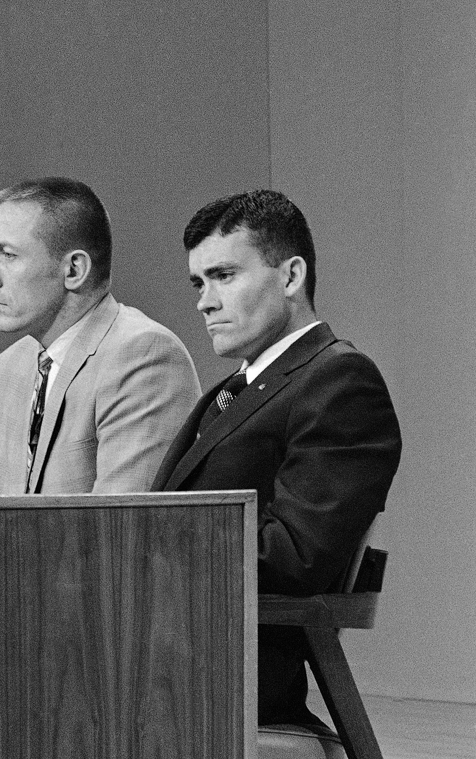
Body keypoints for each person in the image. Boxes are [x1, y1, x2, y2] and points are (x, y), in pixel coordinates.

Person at [151, 189, 401, 730]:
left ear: (290, 277)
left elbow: (296, 558)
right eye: (198, 282)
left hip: (226, 683)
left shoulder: (340, 380)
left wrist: (145, 552)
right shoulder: (229, 392)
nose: (204, 301)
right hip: (172, 657)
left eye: (224, 276)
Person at [0, 177, 201, 495]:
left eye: (7, 255)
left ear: (74, 270)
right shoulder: (5, 369)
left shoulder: (145, 356)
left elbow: (118, 531)